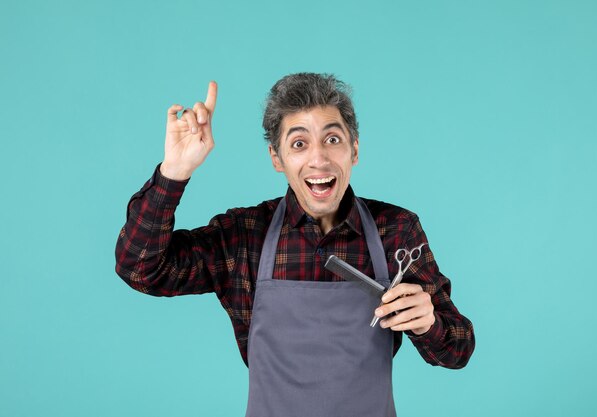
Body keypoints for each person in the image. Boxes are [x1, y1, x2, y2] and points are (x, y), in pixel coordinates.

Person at [115, 73, 475, 417]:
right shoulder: (244, 236)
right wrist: (173, 173)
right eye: (299, 144)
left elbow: (458, 350)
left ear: (355, 150)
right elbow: (141, 268)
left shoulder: (395, 230)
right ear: (277, 158)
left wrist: (429, 323)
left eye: (332, 139)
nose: (318, 159)